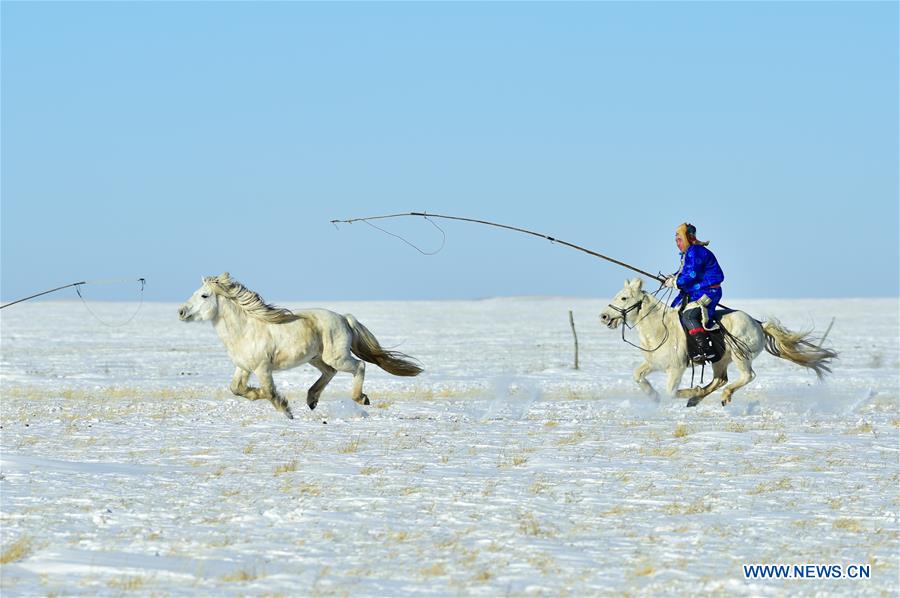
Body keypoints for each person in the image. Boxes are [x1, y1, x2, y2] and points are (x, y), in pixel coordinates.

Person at [664, 223, 724, 363]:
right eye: (676, 241)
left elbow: (691, 275)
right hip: (695, 292)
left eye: (679, 240)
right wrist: (671, 278)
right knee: (675, 311)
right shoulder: (688, 253)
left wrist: (675, 283)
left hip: (708, 292)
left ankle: (705, 349)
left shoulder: (696, 251)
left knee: (689, 316)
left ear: (687, 238)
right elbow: (683, 273)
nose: (677, 244)